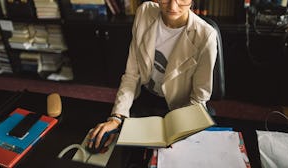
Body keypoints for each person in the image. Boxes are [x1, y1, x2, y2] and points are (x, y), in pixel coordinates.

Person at [88, 0, 217, 150]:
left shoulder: (205, 36)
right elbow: (132, 74)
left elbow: (198, 99)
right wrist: (116, 117)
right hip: (146, 97)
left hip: (180, 108)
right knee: (127, 150)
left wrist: (180, 130)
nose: (172, 7)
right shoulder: (145, 12)